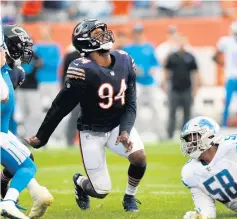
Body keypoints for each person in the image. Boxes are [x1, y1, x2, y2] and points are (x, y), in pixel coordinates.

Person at [25, 19, 147, 212]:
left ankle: (129, 197)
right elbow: (61, 106)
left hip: (117, 125)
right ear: (85, 41)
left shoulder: (124, 59)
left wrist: (125, 130)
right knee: (101, 190)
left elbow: (131, 103)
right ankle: (79, 182)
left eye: (103, 32)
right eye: (97, 34)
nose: (104, 36)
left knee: (139, 158)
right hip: (92, 131)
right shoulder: (81, 69)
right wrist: (42, 136)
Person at [0, 24, 53, 219]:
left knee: (27, 160)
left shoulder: (14, 71)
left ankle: (8, 192)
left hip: (4, 129)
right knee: (27, 165)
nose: (25, 51)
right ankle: (8, 202)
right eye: (21, 46)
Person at [181, 116, 237, 219]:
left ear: (209, 136)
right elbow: (207, 211)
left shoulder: (235, 148)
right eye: (187, 139)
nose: (188, 143)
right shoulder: (191, 172)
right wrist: (200, 216)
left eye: (192, 137)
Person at [122, 24, 163, 140]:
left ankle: (160, 133)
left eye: (140, 32)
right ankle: (136, 133)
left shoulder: (149, 47)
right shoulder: (128, 48)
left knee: (156, 107)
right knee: (135, 109)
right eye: (136, 32)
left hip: (149, 82)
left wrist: (151, 70)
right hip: (136, 83)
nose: (138, 35)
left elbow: (156, 64)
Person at [163, 36, 201, 139]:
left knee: (187, 113)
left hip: (187, 89)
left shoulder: (190, 56)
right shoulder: (172, 56)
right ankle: (170, 135)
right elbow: (166, 70)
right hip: (174, 89)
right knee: (172, 113)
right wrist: (165, 85)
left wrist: (196, 87)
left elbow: (195, 72)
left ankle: (186, 135)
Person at [61, 44, 81, 146]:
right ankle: (70, 140)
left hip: (90, 91)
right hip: (75, 91)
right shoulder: (70, 56)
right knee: (74, 116)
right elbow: (65, 74)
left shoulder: (92, 55)